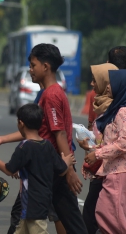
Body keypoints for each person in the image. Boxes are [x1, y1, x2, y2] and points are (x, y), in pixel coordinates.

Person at [0, 44, 88, 234]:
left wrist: (69, 170)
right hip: (49, 168)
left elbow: (59, 134)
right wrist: (3, 139)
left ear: (46, 67)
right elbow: (38, 130)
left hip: (53, 169)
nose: (30, 70)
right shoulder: (51, 92)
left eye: (33, 66)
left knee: (70, 221)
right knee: (31, 216)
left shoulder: (51, 95)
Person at [0, 104, 75, 234]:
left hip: (32, 204)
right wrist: (66, 161)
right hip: (41, 201)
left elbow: (9, 169)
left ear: (21, 123)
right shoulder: (47, 145)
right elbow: (61, 169)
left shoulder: (24, 147)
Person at [76, 63, 117, 234]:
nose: (92, 84)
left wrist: (95, 151)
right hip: (99, 167)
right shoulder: (98, 103)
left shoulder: (116, 109)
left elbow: (117, 143)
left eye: (95, 80)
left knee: (93, 216)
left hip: (109, 170)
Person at [85, 70, 126, 234]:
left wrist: (97, 154)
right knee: (107, 217)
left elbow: (123, 142)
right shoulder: (116, 110)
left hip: (118, 173)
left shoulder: (122, 112)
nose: (107, 87)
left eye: (111, 83)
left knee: (111, 217)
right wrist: (94, 151)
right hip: (112, 172)